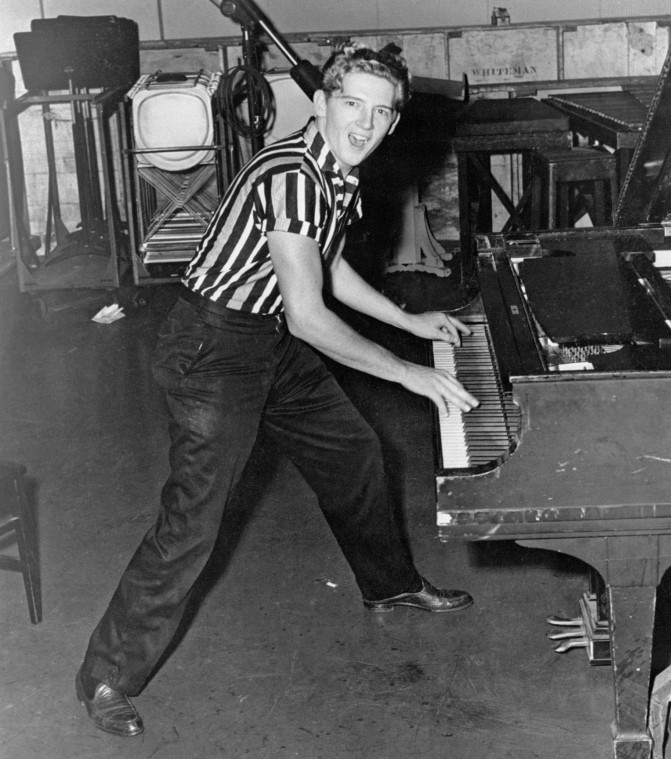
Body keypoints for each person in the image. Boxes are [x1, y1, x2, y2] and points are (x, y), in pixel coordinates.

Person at [75, 45, 479, 737]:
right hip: (213, 349)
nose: (367, 122)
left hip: (269, 338)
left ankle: (390, 584)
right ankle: (105, 674)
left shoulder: (337, 170)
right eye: (353, 103)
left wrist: (407, 318)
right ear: (321, 104)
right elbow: (310, 314)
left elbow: (326, 267)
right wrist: (411, 370)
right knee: (194, 523)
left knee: (354, 451)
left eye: (382, 112)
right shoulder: (292, 173)